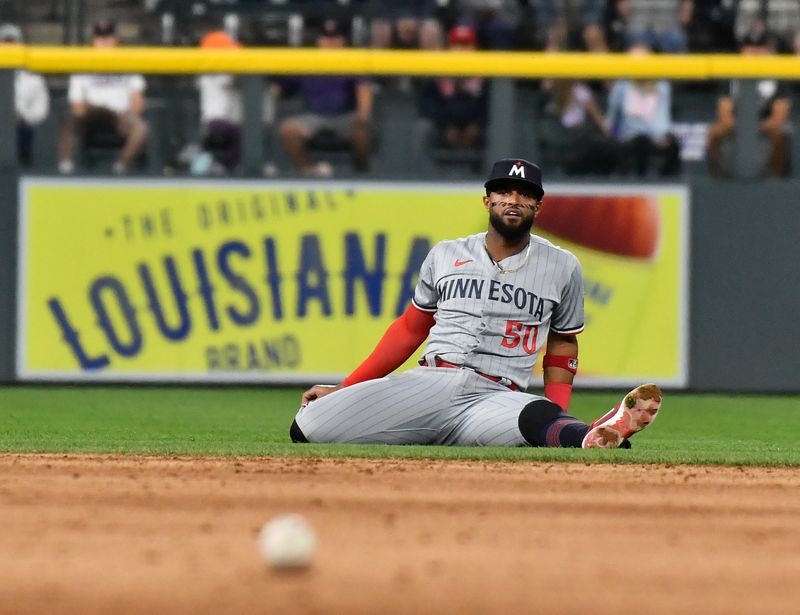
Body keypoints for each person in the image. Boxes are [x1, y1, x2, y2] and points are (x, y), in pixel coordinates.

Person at [290, 158, 663, 449]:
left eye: (525, 193)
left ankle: (595, 435)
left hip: (496, 398)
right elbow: (409, 329)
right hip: (430, 381)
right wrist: (346, 388)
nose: (513, 200)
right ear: (487, 200)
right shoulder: (446, 254)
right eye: (504, 191)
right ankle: (424, 428)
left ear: (538, 206)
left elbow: (564, 343)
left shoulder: (563, 265)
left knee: (540, 420)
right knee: (306, 425)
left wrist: (558, 409)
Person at [276, 19, 373, 177]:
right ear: (319, 41)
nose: (330, 43)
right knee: (288, 129)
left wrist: (363, 115)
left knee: (361, 130)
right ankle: (311, 171)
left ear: (343, 41)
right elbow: (280, 89)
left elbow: (363, 89)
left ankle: (361, 174)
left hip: (345, 116)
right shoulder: (308, 62)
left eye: (335, 38)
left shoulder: (352, 60)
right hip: (315, 116)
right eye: (327, 38)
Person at [58, 19, 149, 175]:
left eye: (108, 37)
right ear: (93, 41)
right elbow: (77, 107)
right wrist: (95, 110)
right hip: (91, 114)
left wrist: (129, 114)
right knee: (68, 121)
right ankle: (65, 168)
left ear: (116, 40)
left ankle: (120, 167)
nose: (104, 42)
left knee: (141, 128)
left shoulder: (128, 63)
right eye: (100, 38)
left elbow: (138, 101)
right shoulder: (82, 64)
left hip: (119, 116)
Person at [706, 23, 791, 179]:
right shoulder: (731, 77)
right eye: (750, 47)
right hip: (736, 125)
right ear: (742, 51)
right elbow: (724, 115)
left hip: (766, 126)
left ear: (769, 51)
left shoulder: (778, 76)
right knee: (714, 131)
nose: (755, 53)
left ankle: (775, 180)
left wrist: (753, 127)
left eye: (760, 48)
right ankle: (717, 180)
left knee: (781, 132)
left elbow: (779, 118)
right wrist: (743, 127)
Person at [413, 25, 488, 176]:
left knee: (497, 130)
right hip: (443, 128)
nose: (461, 49)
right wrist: (445, 127)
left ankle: (491, 182)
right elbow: (428, 104)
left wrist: (476, 125)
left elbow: (490, 105)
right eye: (457, 45)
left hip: (476, 128)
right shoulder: (438, 69)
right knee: (423, 128)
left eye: (466, 45)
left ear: (474, 48)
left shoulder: (485, 72)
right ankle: (427, 182)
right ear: (449, 47)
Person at [605, 43, 681, 176]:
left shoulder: (661, 85)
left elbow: (662, 118)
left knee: (669, 144)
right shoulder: (621, 86)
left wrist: (661, 136)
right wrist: (614, 134)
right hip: (627, 138)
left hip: (655, 138)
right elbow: (611, 120)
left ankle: (667, 183)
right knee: (638, 141)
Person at [193, 30, 243, 175]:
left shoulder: (221, 71)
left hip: (225, 120)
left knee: (239, 133)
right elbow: (231, 79)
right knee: (241, 134)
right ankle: (226, 167)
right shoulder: (211, 73)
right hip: (214, 121)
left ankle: (214, 164)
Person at [0, 23, 50, 168]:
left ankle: (21, 170)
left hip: (20, 126)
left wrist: (23, 117)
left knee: (24, 132)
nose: (8, 47)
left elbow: (41, 110)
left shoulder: (33, 78)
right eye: (4, 42)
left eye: (12, 42)